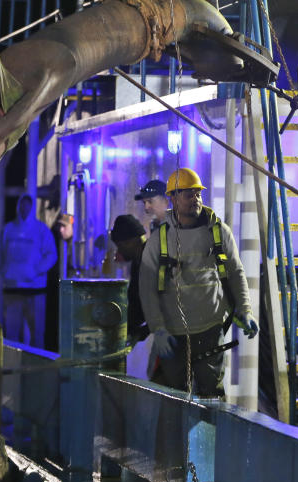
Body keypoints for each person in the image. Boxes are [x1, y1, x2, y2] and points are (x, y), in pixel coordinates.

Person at [139, 167, 258, 397]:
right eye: (188, 194)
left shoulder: (218, 232)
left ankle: (210, 434)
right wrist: (159, 329)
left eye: (198, 193)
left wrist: (245, 310)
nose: (195, 199)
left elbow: (235, 272)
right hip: (173, 335)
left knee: (211, 396)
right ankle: (177, 434)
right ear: (172, 198)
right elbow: (147, 288)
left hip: (210, 330)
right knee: (174, 397)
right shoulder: (159, 240)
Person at [0, 194, 57, 348]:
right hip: (12, 289)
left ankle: (35, 370)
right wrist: (4, 272)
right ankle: (13, 370)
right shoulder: (8, 229)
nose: (24, 208)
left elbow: (52, 254)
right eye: (22, 205)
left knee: (37, 333)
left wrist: (36, 270)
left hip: (35, 290)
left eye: (28, 205)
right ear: (18, 206)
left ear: (31, 207)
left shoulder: (41, 230)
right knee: (11, 335)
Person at [110, 214, 149, 344]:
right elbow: (135, 302)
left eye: (120, 246)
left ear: (131, 241)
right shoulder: (137, 262)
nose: (119, 251)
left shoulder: (150, 260)